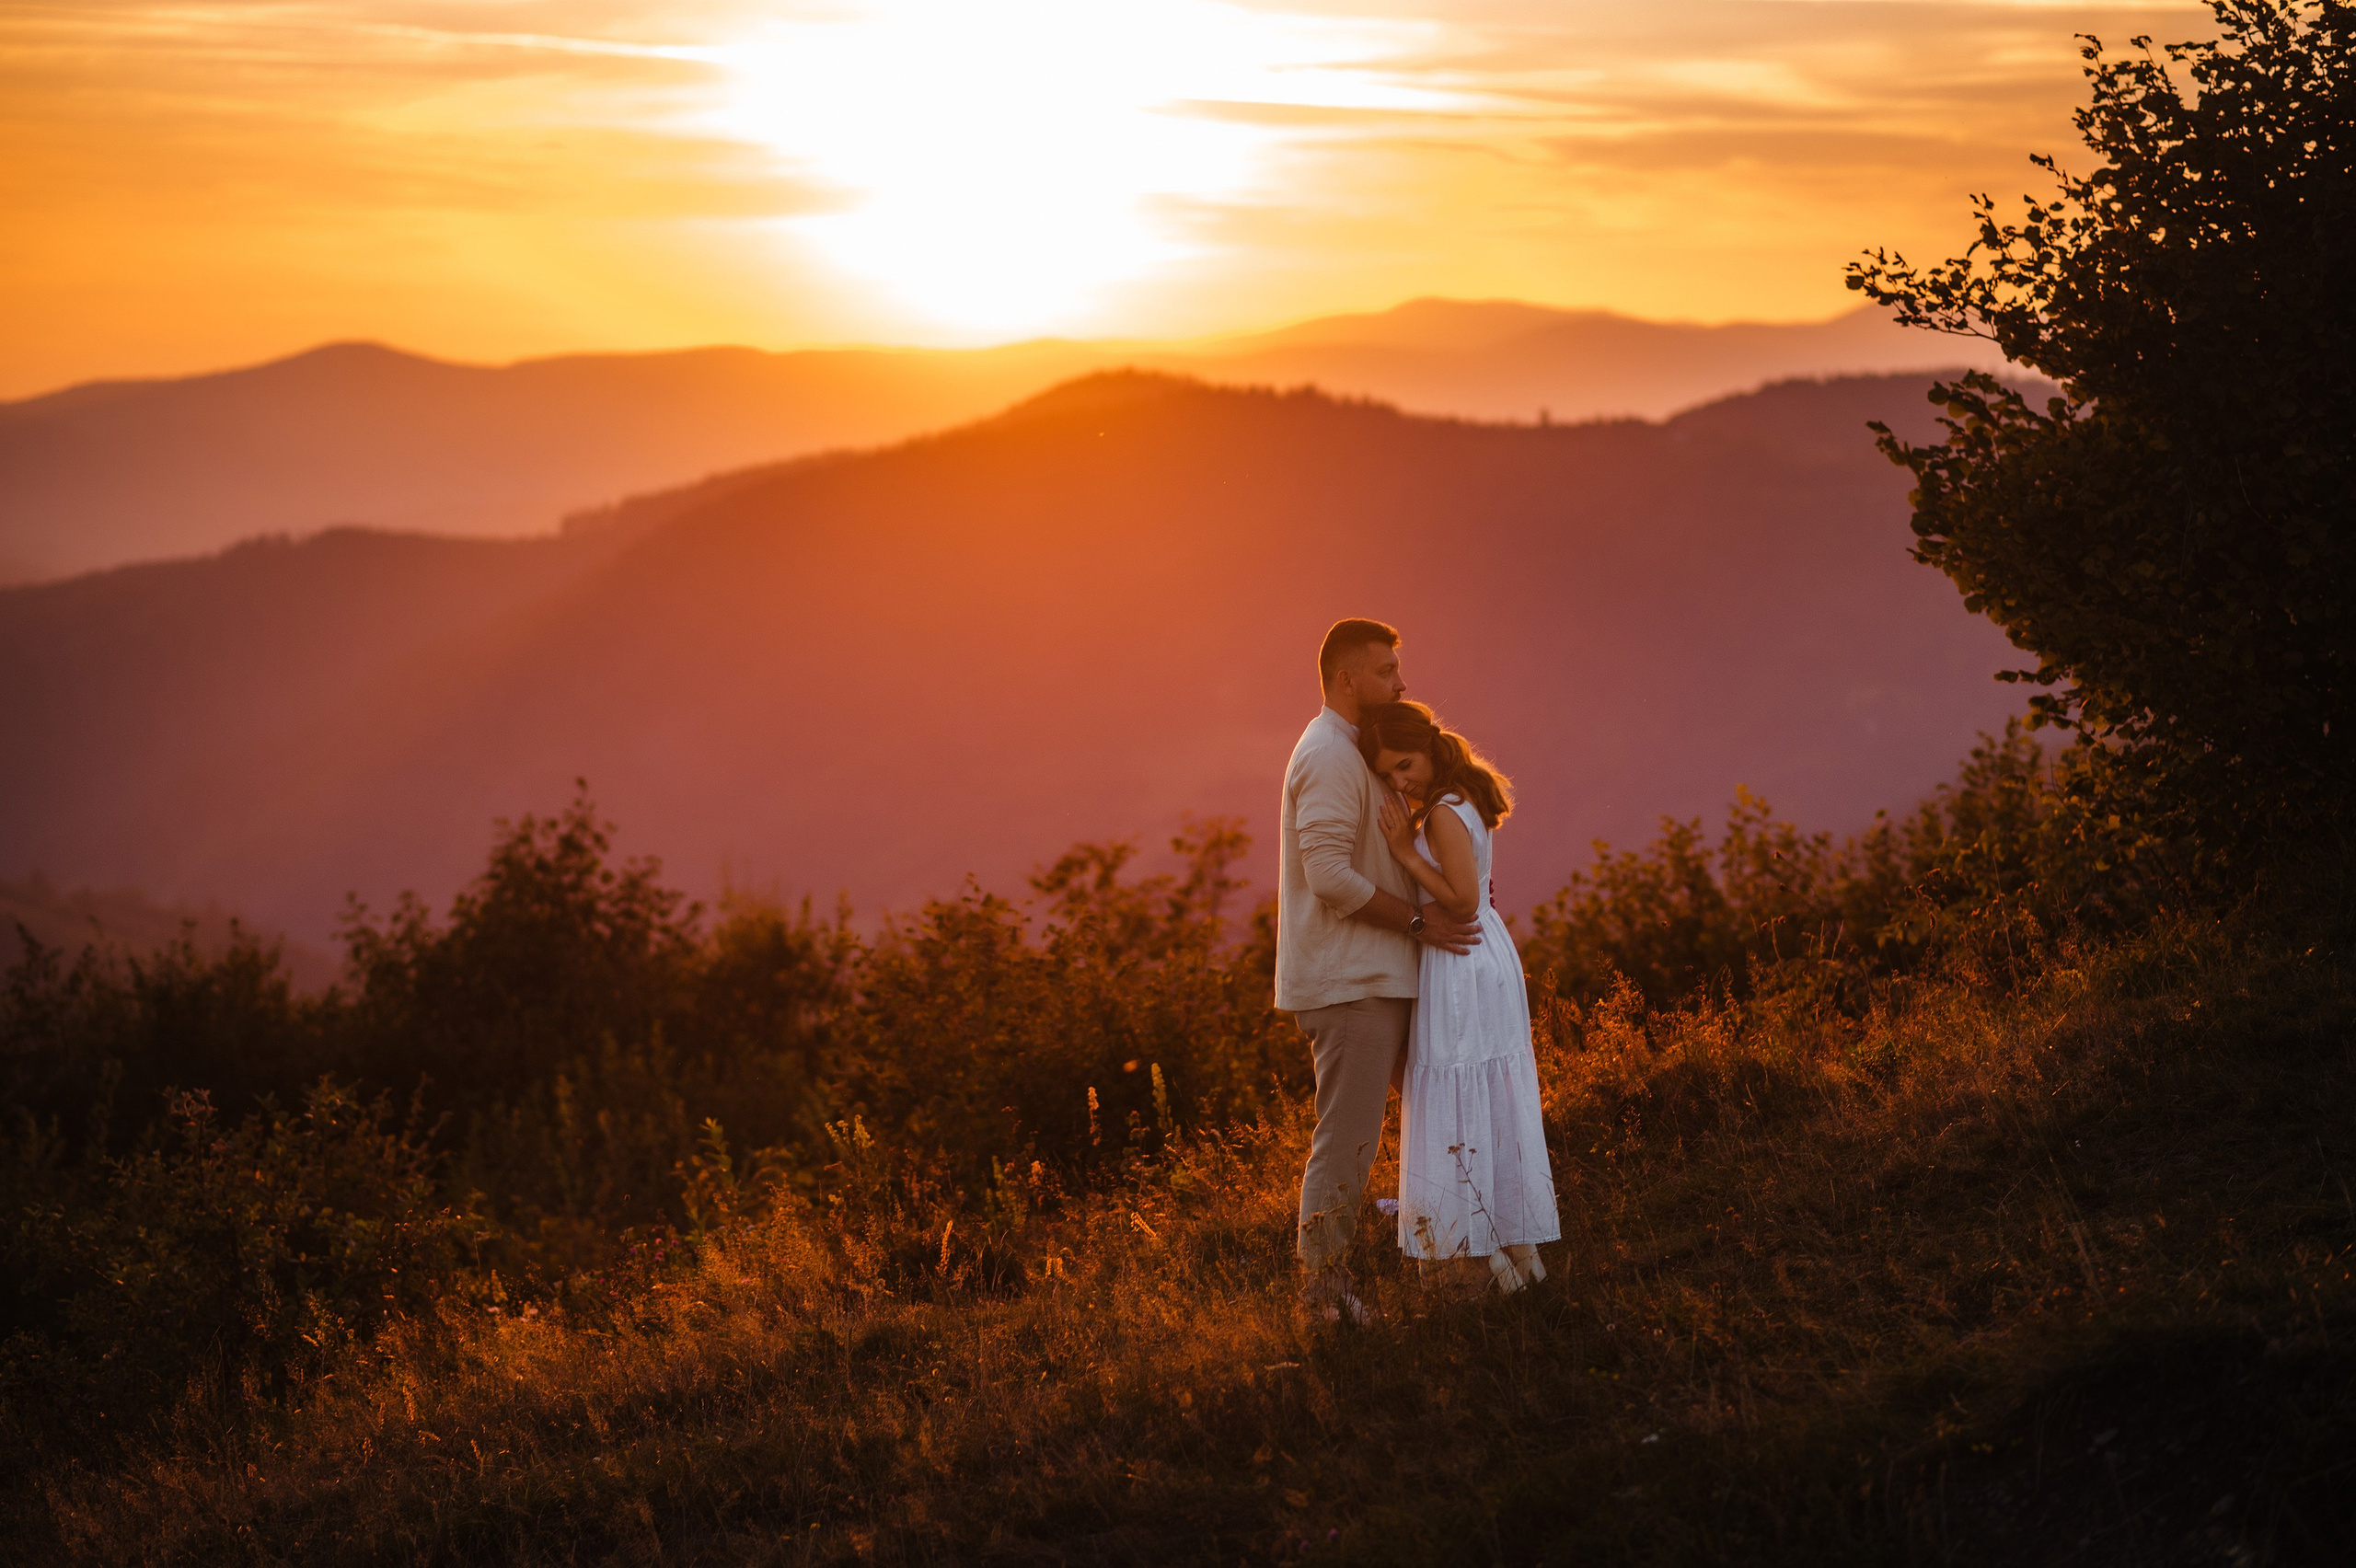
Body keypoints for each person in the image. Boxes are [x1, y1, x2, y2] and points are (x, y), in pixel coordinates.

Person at [1278, 619, 1482, 1323]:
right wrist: (1419, 921)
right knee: (1348, 1140)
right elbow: (1329, 876)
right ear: (1346, 679)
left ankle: (1456, 1260)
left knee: (1430, 1122)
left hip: (1377, 979)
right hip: (1349, 985)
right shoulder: (1329, 756)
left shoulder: (1353, 750)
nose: (1401, 682)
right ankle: (1322, 1296)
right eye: (1388, 671)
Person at [1359, 699, 1558, 1292]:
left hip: (1460, 956)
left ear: (1428, 747)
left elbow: (1463, 900)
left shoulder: (1444, 811)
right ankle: (1519, 1254)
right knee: (1490, 1095)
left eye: (1404, 765)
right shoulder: (1463, 797)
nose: (1401, 781)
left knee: (1455, 1090)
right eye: (1390, 775)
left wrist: (1401, 853)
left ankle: (1485, 1252)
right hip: (1486, 953)